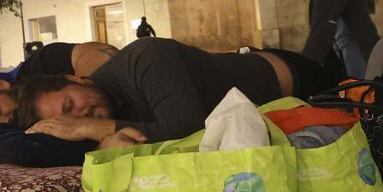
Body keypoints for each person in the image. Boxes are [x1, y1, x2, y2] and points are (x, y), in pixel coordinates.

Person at [17, 37, 343, 146]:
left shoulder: (144, 58)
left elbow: (190, 128)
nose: (79, 116)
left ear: (78, 80)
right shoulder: (110, 116)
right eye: (68, 121)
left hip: (299, 80)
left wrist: (94, 129)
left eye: (71, 104)